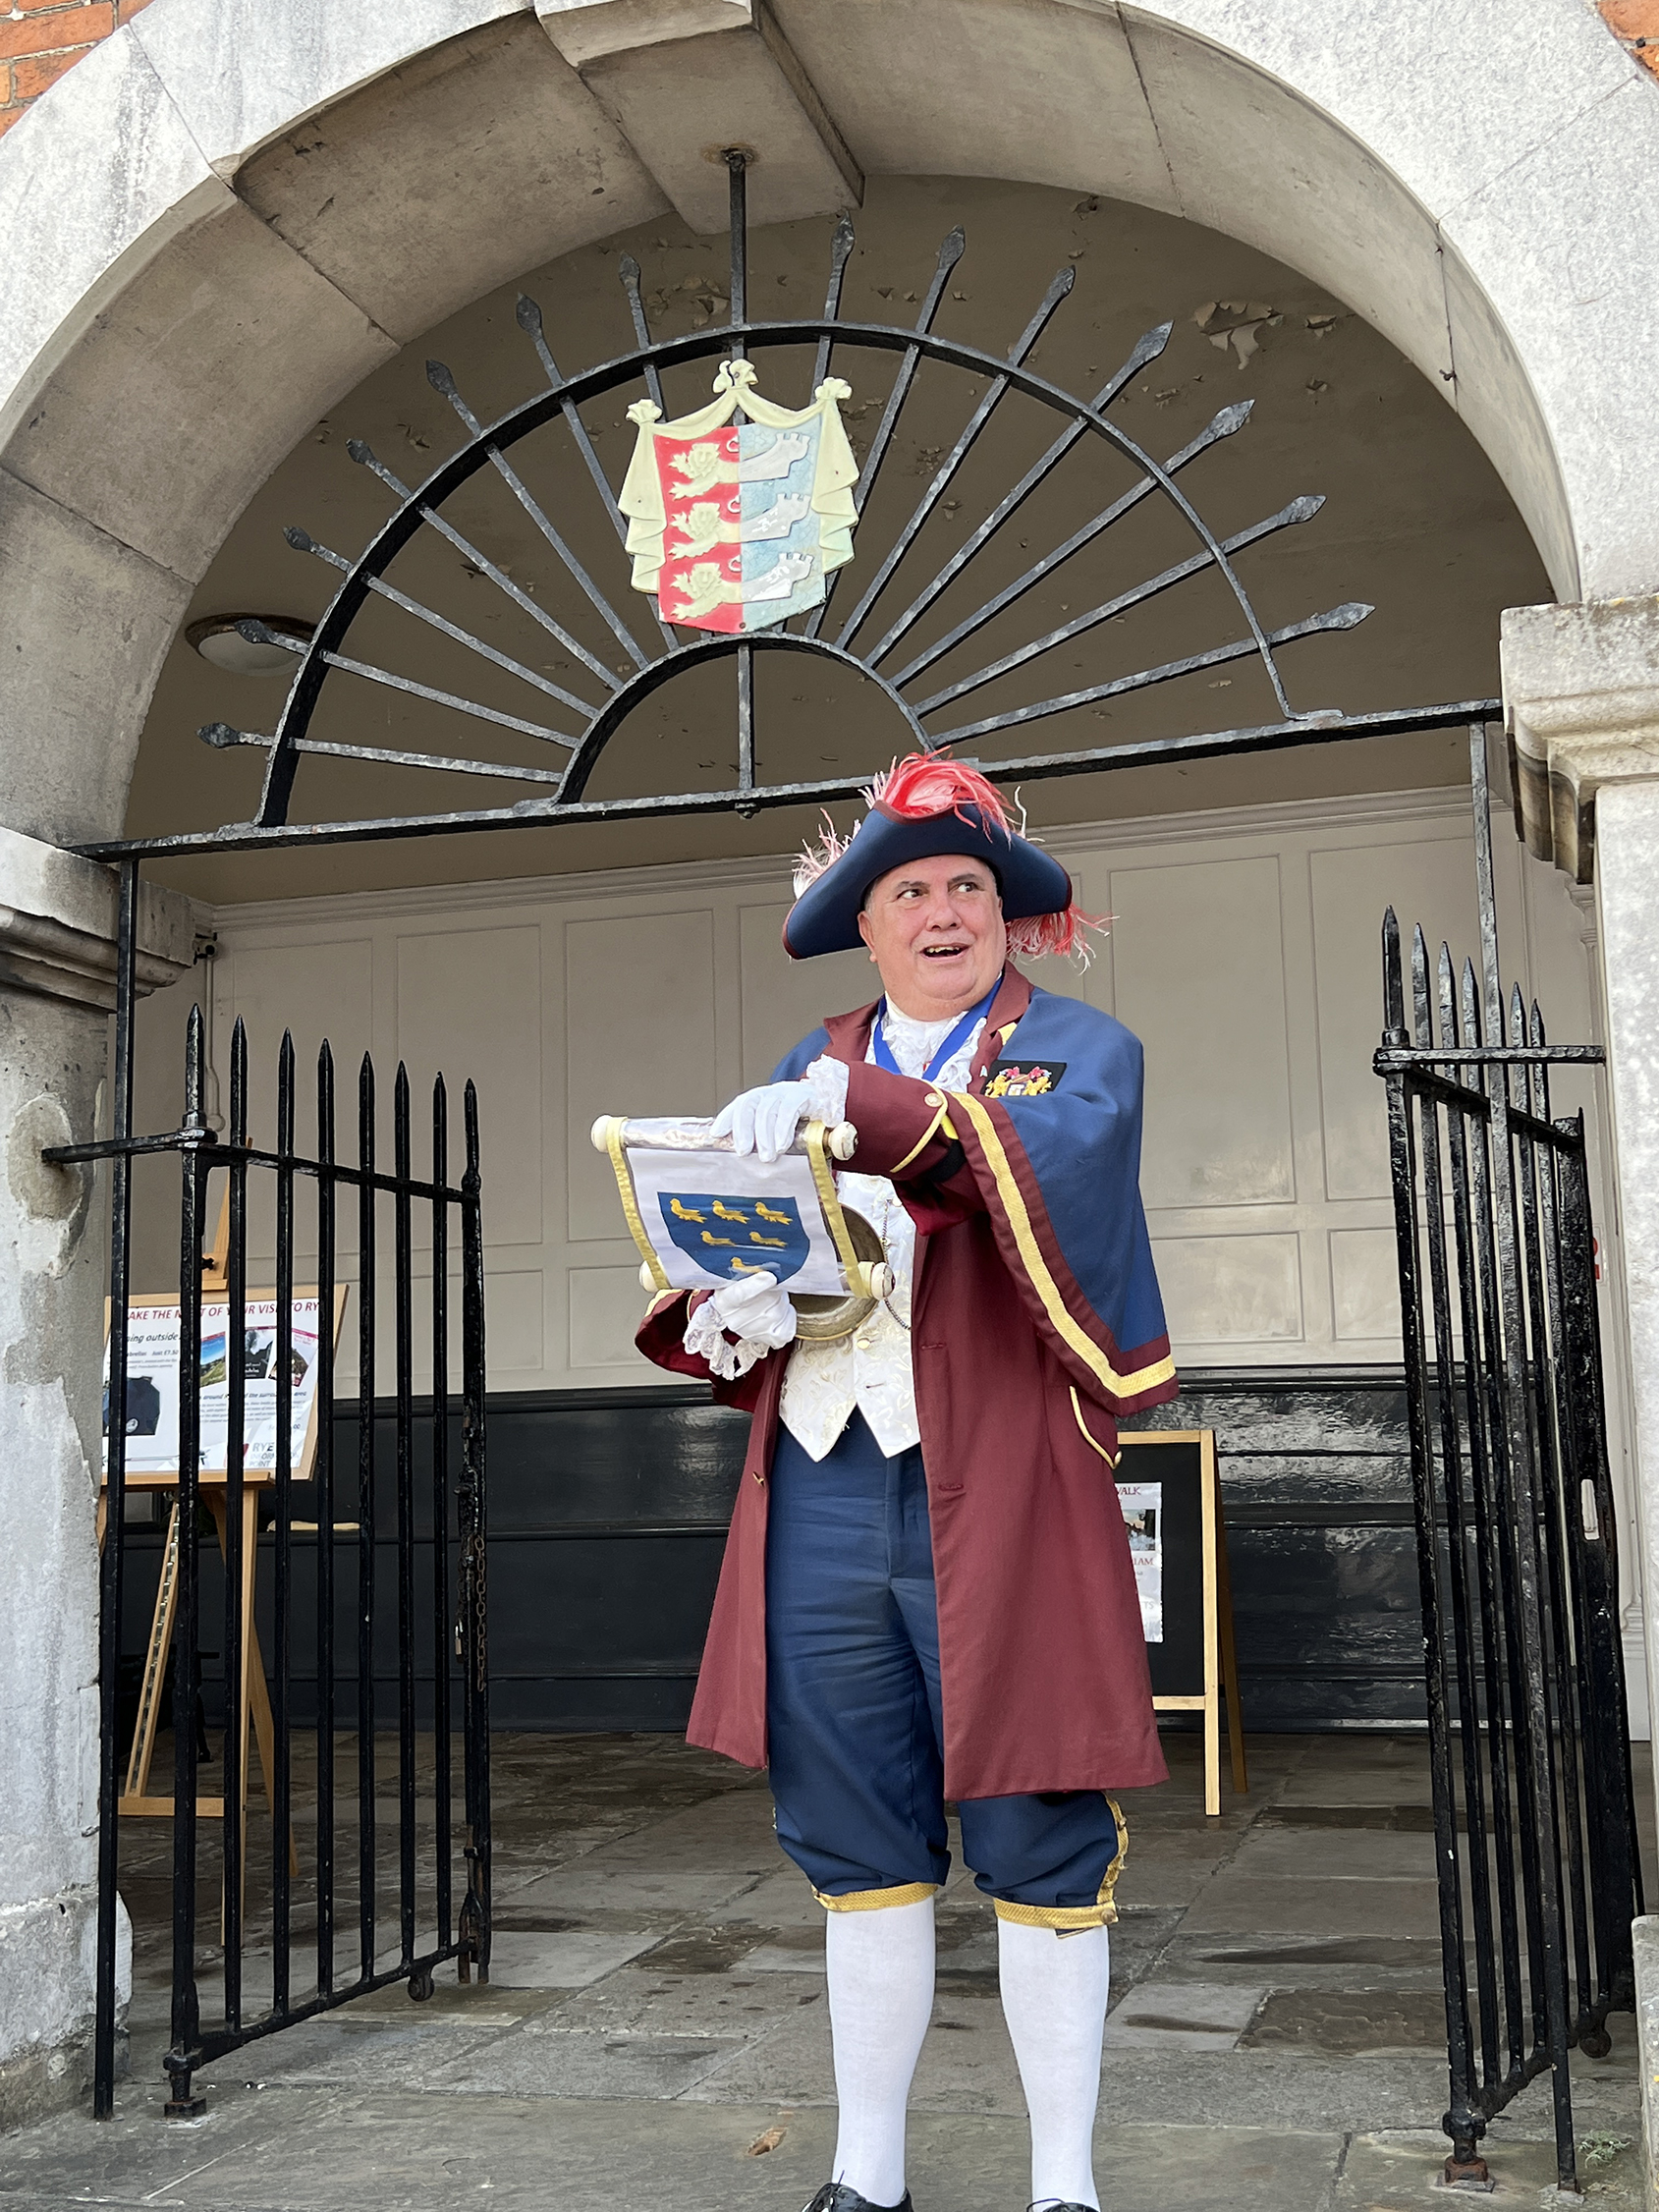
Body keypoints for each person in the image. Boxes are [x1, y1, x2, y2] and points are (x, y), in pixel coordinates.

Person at [636, 753, 1177, 2212]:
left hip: (1003, 1482)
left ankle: (1063, 2187)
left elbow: (1030, 1162)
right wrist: (736, 1293)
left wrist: (856, 1112)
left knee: (1035, 1824)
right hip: (821, 1484)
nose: (945, 913)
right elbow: (773, 1253)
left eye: (967, 887)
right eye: (911, 892)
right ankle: (865, 2176)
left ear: (1004, 915)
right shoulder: (799, 1065)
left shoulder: (1076, 1050)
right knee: (852, 1829)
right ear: (864, 927)